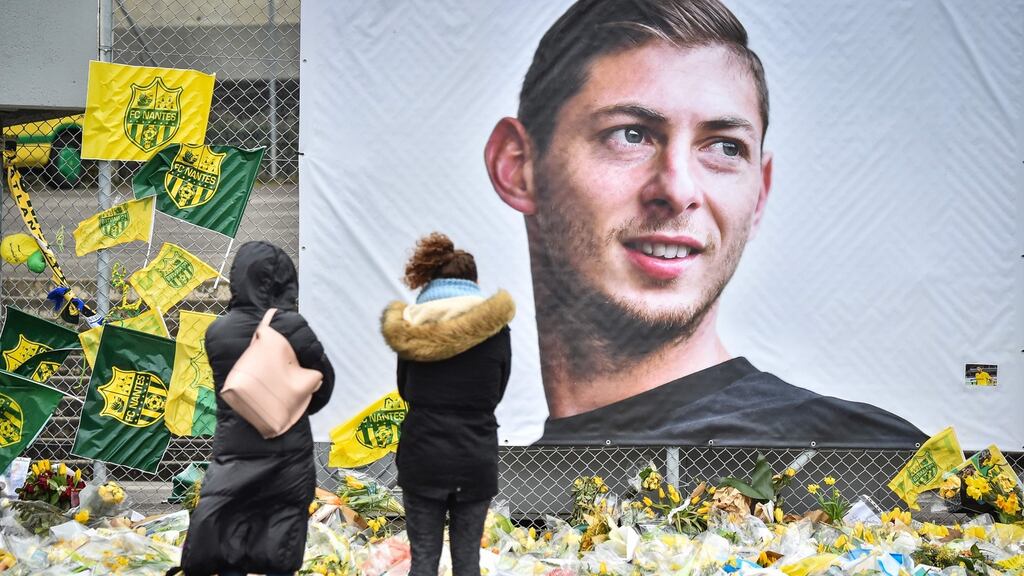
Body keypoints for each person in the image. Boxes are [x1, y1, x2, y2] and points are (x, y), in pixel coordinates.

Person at [483, 0, 925, 447]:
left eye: (725, 148)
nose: (678, 191)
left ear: (759, 196)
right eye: (630, 134)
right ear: (518, 167)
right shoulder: (497, 494)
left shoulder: (870, 464)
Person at [176, 241, 335, 576]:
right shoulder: (292, 327)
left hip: (234, 456)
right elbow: (324, 386)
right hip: (287, 457)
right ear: (285, 283)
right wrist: (290, 406)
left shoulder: (217, 332)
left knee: (231, 543)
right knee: (279, 548)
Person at [381, 232, 514, 576]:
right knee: (467, 560)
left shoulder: (412, 329)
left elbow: (405, 389)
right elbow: (496, 390)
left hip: (423, 455)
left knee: (423, 558)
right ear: (475, 282)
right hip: (475, 455)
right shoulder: (496, 332)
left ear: (432, 279)